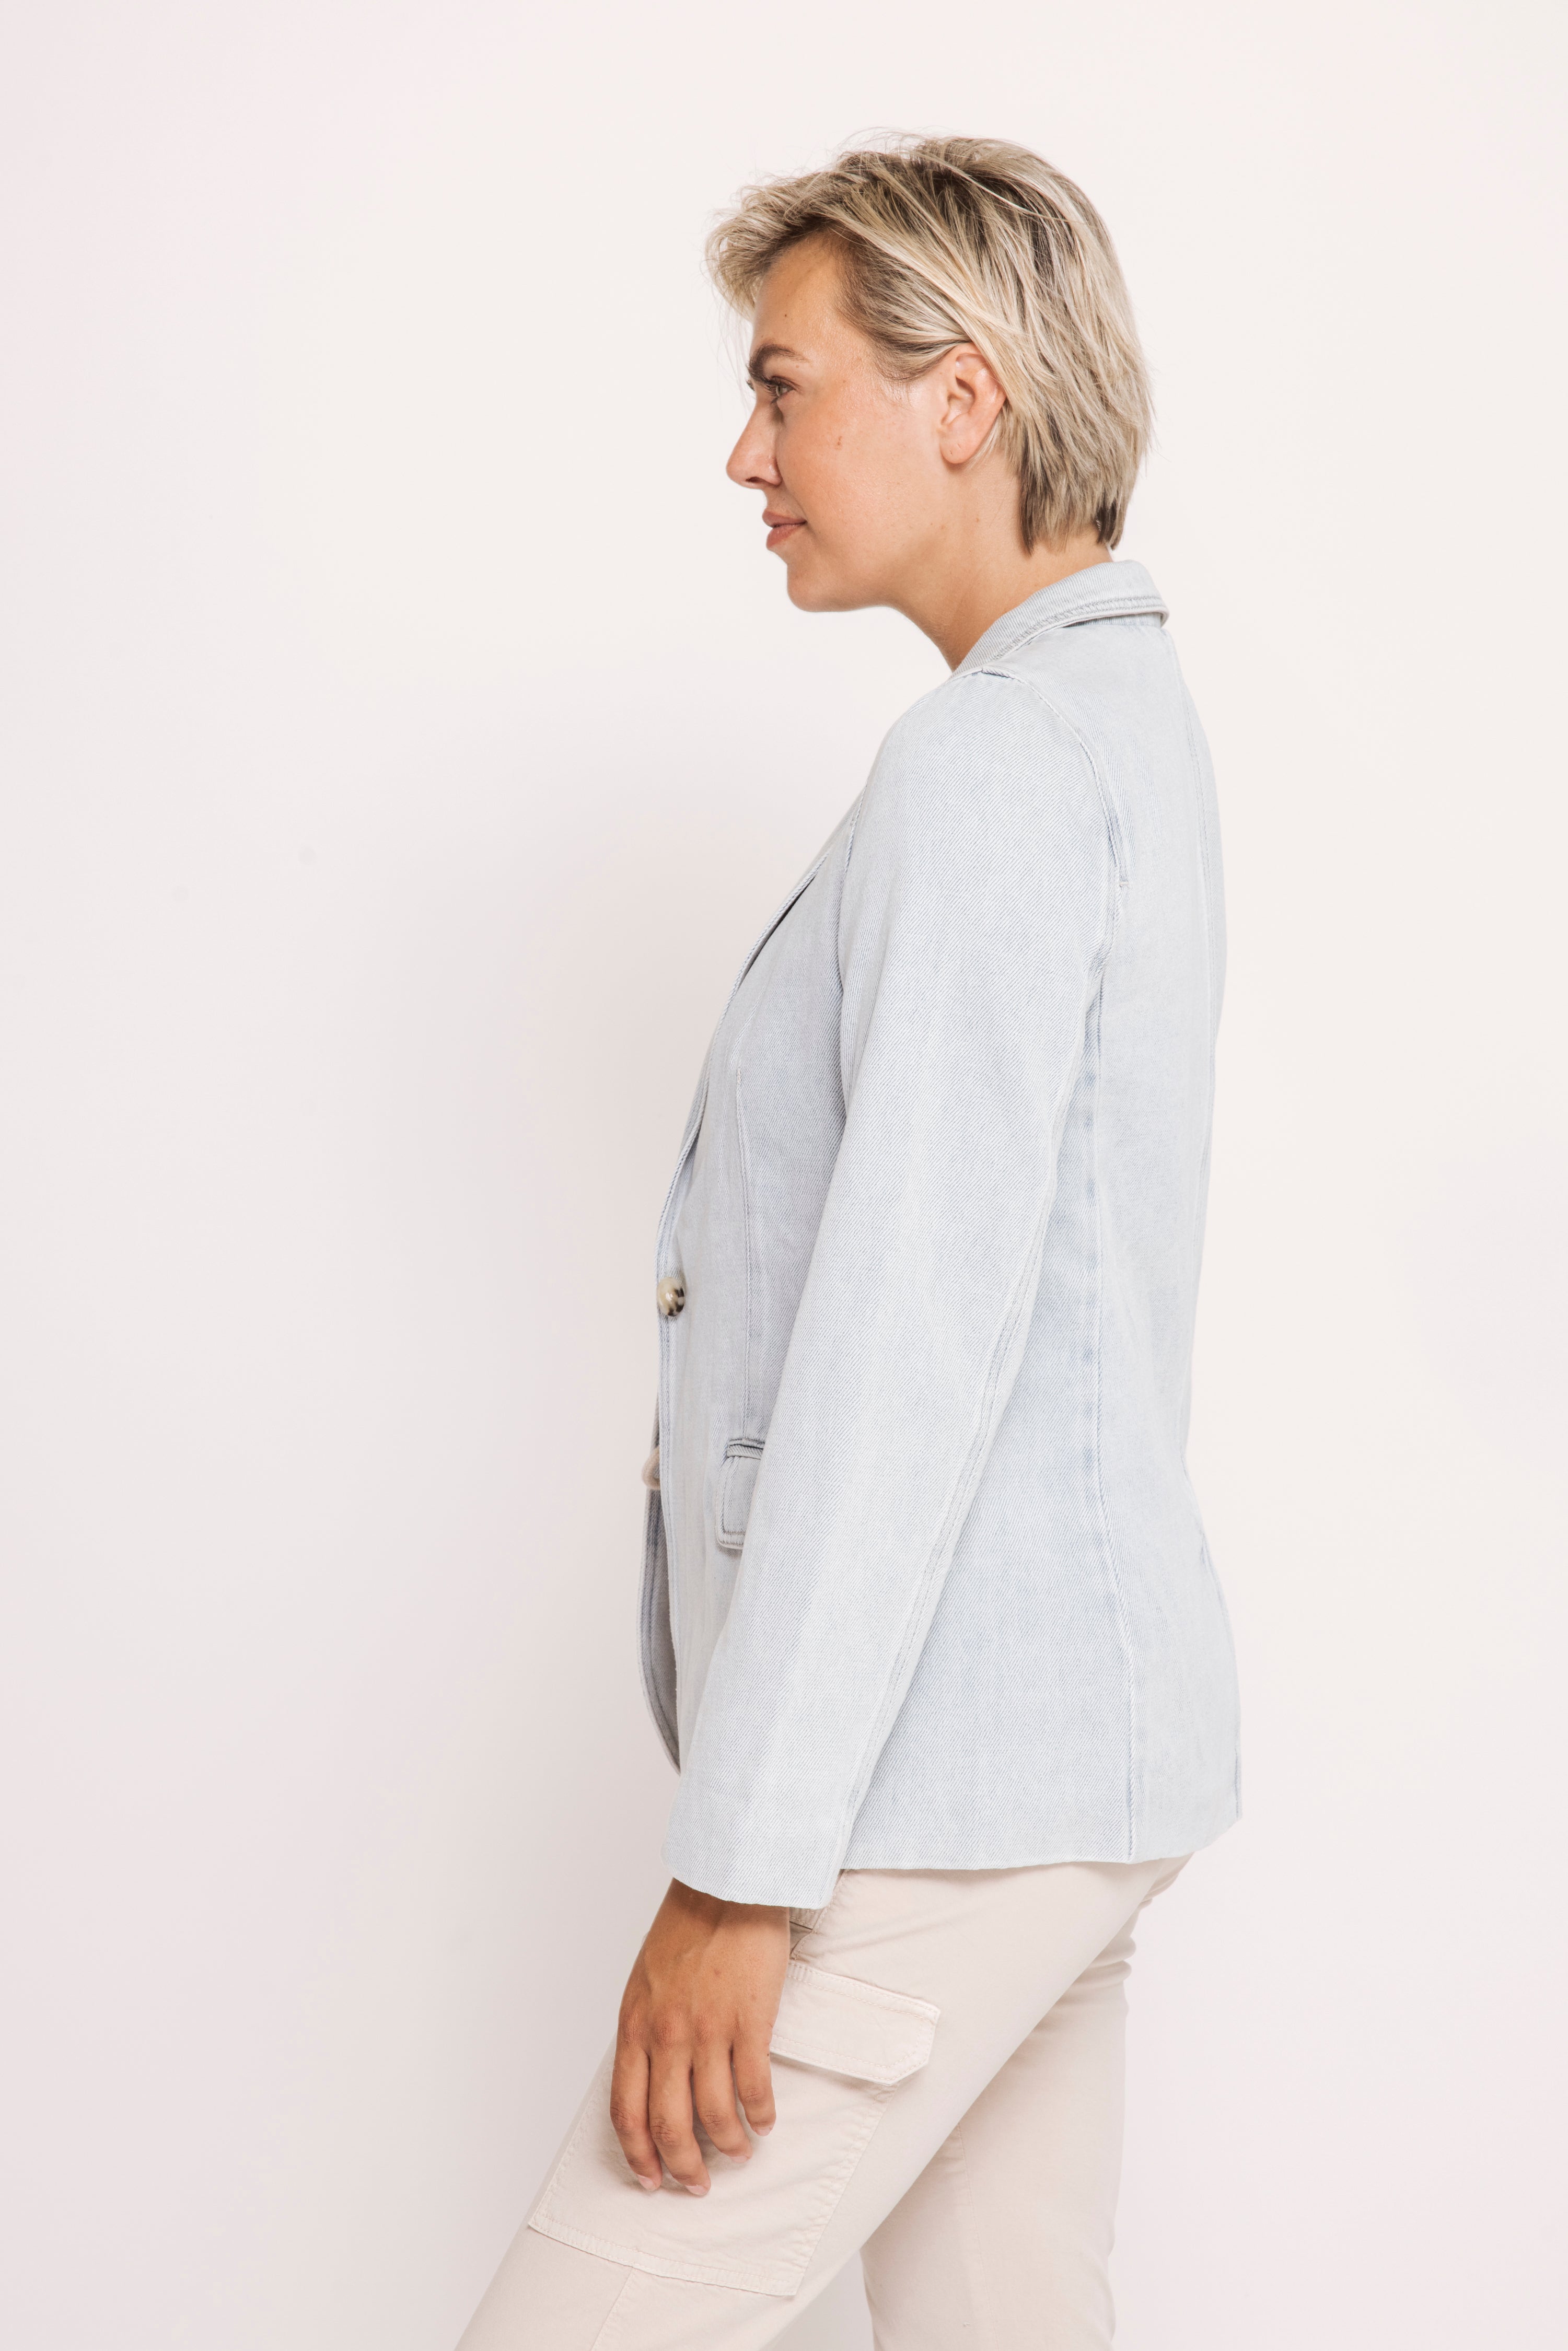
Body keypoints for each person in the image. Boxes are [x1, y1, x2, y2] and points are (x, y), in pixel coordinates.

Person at [458, 134, 1239, 2350]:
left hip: (932, 1794)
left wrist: (741, 1867)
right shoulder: (1121, 725)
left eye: (783, 388)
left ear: (961, 399)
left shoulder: (993, 767)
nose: (748, 454)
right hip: (1061, 1768)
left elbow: (912, 1343)